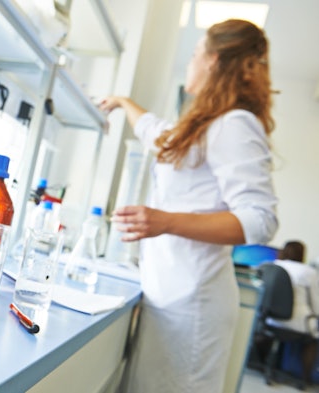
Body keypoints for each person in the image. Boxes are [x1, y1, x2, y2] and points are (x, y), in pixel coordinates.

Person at [99, 19, 278, 392]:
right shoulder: (204, 126)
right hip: (169, 296)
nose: (189, 62)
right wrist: (122, 102)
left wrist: (165, 221)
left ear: (213, 61)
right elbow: (156, 134)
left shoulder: (235, 125)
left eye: (195, 53)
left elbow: (260, 219)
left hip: (193, 305)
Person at [266, 240, 318, 384]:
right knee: (312, 340)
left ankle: (266, 366)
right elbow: (316, 305)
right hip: (298, 324)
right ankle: (305, 380)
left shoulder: (273, 265)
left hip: (269, 320)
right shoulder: (309, 272)